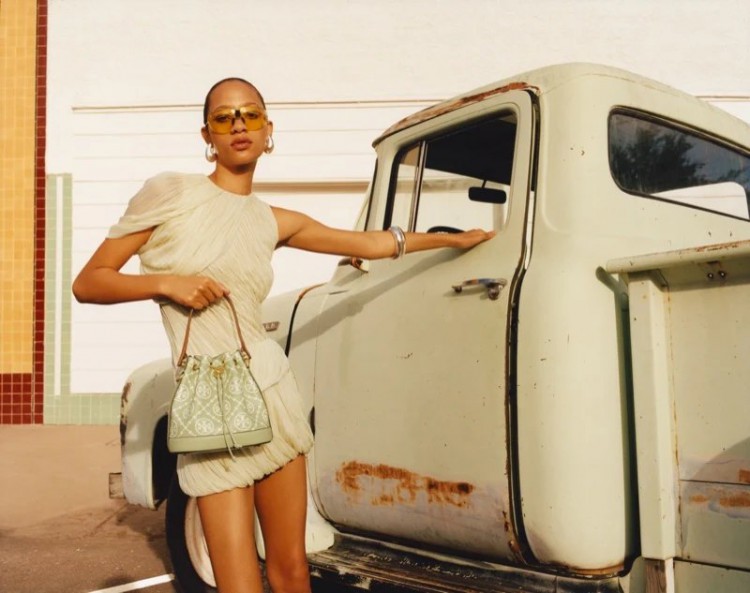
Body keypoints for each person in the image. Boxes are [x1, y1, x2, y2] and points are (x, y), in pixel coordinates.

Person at [72, 77, 495, 593]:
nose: (239, 126)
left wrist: (456, 240)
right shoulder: (171, 194)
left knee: (292, 569)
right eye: (224, 117)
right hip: (210, 409)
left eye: (250, 115)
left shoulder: (273, 220)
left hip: (273, 393)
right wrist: (166, 284)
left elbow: (372, 243)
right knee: (238, 583)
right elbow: (89, 282)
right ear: (207, 135)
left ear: (268, 129)